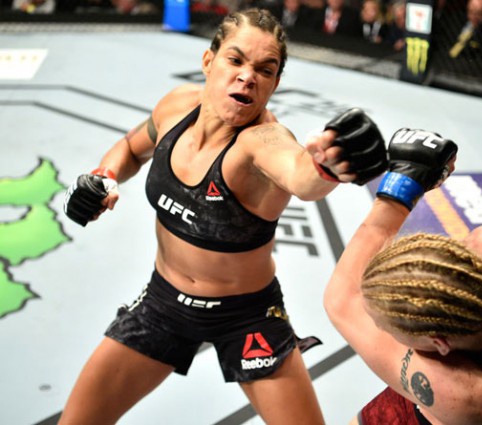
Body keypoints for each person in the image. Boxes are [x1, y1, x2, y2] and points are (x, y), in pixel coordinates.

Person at [60, 8, 388, 424]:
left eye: (265, 70)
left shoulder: (262, 141)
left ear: (274, 84)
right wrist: (104, 176)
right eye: (236, 60)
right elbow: (130, 147)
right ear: (208, 61)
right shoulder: (177, 107)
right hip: (164, 303)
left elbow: (302, 177)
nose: (248, 77)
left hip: (245, 316)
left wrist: (331, 165)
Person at [320, 128, 482, 424]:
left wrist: (403, 186)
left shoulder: (455, 392)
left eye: (388, 328)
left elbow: (341, 301)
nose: (380, 328)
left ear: (439, 344)